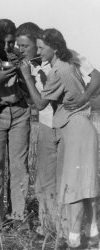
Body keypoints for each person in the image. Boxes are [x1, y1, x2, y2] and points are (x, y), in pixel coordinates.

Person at [19, 28, 99, 249]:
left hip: (71, 127)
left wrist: (26, 77)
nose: (39, 52)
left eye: (42, 48)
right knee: (85, 184)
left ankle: (70, 238)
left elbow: (40, 104)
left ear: (54, 47)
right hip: (78, 125)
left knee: (73, 185)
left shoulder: (58, 70)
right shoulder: (66, 64)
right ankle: (89, 232)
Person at [0, 20, 42, 232]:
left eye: (13, 42)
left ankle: (18, 216)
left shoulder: (20, 57)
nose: (10, 46)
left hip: (20, 113)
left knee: (20, 167)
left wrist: (23, 74)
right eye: (6, 42)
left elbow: (31, 89)